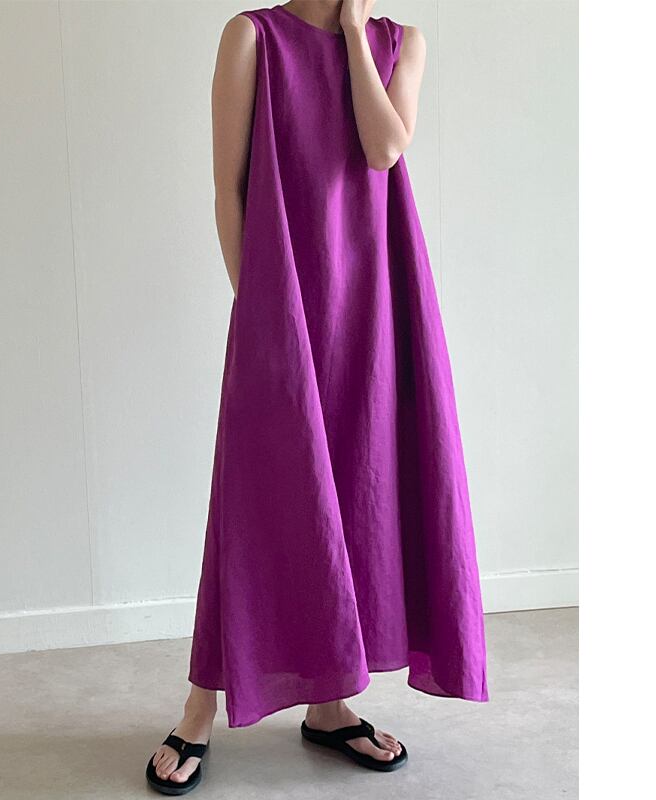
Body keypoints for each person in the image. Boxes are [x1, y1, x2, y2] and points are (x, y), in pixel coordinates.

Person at [146, 1, 488, 794]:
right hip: (284, 307)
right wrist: (260, 310)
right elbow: (228, 190)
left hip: (378, 306)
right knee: (256, 500)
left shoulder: (401, 43)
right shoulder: (252, 39)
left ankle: (330, 705)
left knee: (360, 495)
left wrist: (356, 37)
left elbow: (385, 146)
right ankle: (199, 707)